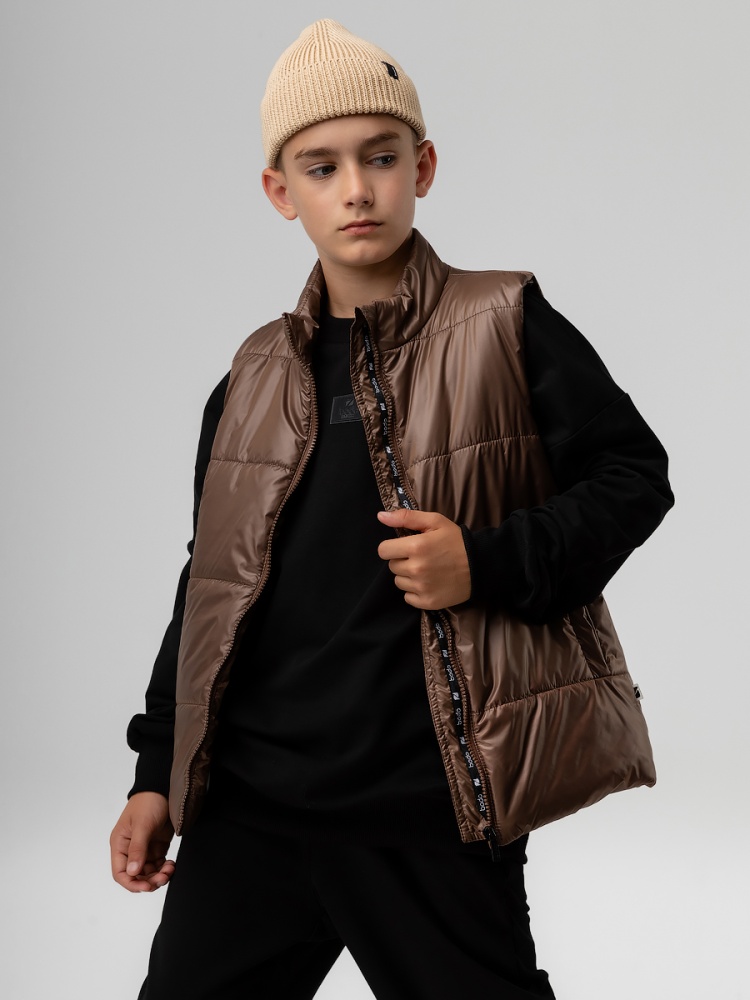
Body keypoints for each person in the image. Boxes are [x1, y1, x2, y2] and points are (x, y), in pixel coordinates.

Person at [109, 19, 674, 1000]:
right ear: (280, 192)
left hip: (426, 804)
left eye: (380, 158)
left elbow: (634, 475)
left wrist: (484, 563)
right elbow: (210, 584)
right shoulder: (250, 376)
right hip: (253, 807)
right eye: (321, 167)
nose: (357, 190)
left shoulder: (504, 321)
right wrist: (157, 769)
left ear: (424, 166)